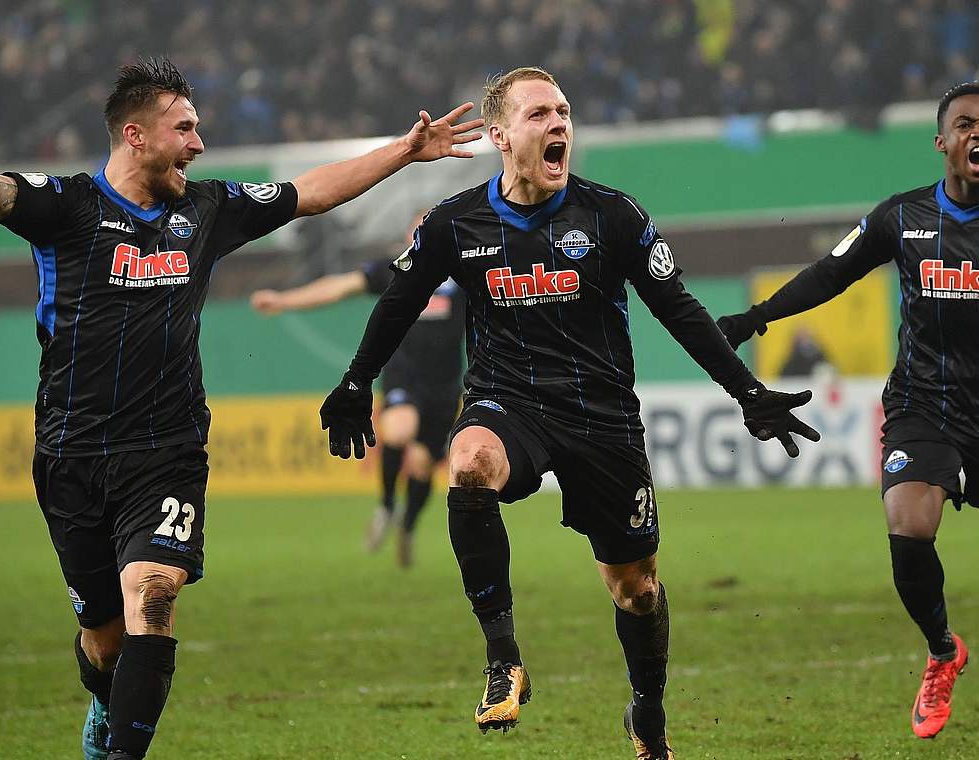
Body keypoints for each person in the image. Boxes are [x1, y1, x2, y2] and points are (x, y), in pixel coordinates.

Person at [0, 57, 482, 760]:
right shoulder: (67, 207)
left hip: (167, 451)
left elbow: (310, 193)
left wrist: (406, 152)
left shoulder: (209, 209)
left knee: (154, 594)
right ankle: (106, 705)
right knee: (104, 641)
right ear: (135, 135)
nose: (198, 144)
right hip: (70, 456)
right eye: (184, 128)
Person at [317, 66, 819, 760]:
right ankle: (504, 659)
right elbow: (398, 302)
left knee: (636, 589)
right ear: (500, 136)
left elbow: (677, 309)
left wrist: (747, 392)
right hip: (508, 402)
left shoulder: (614, 215)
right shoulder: (455, 224)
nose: (559, 125)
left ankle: (647, 713)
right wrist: (354, 382)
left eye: (564, 112)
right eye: (539, 115)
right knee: (468, 465)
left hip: (602, 417)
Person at [716, 81, 979, 757]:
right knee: (907, 527)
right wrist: (755, 317)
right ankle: (943, 652)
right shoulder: (903, 218)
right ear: (942, 141)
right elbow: (831, 273)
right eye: (967, 124)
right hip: (921, 406)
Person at [251, 214, 466, 567]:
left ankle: (408, 526)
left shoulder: (462, 276)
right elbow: (339, 286)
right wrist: (283, 301)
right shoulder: (397, 270)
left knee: (423, 468)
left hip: (444, 387)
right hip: (403, 377)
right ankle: (385, 505)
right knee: (399, 430)